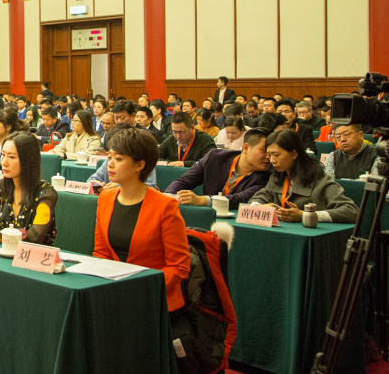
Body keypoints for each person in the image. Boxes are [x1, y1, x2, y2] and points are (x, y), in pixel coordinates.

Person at [93, 128, 192, 312]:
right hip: (116, 294)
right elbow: (101, 253)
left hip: (155, 300)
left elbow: (179, 266)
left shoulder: (165, 206)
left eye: (118, 159)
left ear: (139, 165)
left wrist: (139, 287)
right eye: (110, 157)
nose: (110, 164)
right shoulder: (105, 198)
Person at [0, 132, 57, 245]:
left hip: (34, 254)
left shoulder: (46, 193)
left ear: (28, 160)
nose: (4, 162)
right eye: (3, 155)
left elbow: (35, 235)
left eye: (12, 157)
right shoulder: (0, 187)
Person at [250, 130, 358, 224]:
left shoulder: (319, 179)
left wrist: (305, 215)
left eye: (276, 155)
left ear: (294, 154)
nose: (272, 160)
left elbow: (351, 211)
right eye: (269, 155)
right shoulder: (277, 177)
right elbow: (257, 199)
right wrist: (259, 207)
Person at [165, 128, 272, 207]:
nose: (269, 157)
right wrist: (168, 196)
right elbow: (184, 180)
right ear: (246, 148)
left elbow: (239, 199)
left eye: (272, 153)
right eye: (264, 151)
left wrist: (203, 200)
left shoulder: (267, 176)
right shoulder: (216, 157)